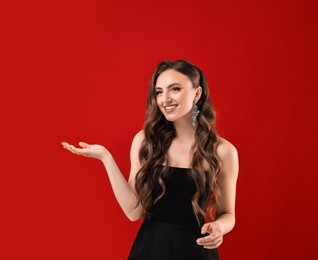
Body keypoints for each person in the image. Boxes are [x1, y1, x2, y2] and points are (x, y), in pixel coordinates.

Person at [61, 59, 239, 260]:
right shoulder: (146, 141)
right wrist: (106, 158)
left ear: (196, 94)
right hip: (150, 249)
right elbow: (133, 212)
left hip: (197, 251)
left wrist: (218, 227)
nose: (165, 99)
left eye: (175, 89)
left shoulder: (223, 151)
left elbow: (228, 214)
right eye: (159, 92)